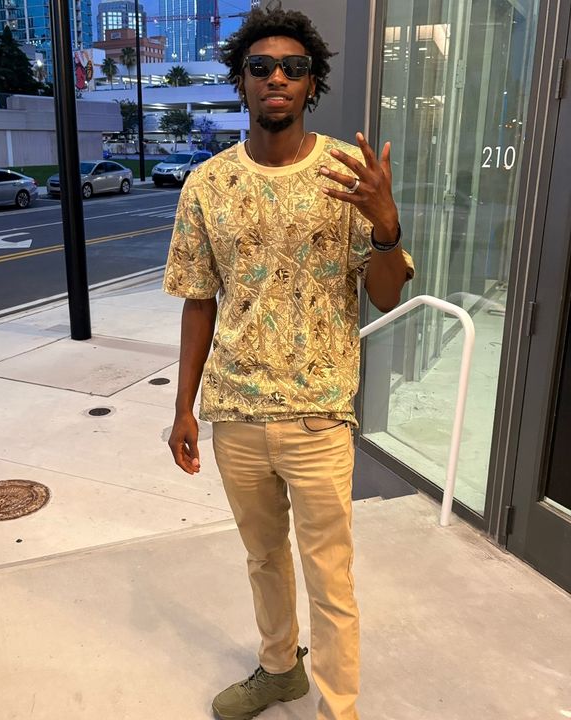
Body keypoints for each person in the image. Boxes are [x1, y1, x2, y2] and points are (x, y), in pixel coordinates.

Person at [163, 8, 414, 720]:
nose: (277, 77)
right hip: (236, 413)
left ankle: (339, 709)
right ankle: (280, 671)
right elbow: (198, 302)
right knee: (264, 559)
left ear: (312, 84)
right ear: (241, 82)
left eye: (293, 68)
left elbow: (385, 293)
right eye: (261, 67)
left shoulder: (346, 176)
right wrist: (182, 408)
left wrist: (387, 226)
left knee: (330, 576)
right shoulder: (206, 185)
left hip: (318, 416)